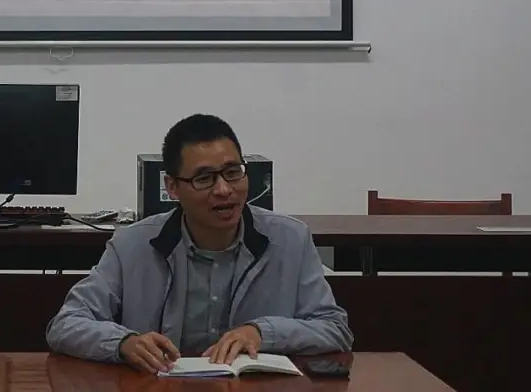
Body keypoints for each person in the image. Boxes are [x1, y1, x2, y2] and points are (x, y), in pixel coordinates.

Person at [46, 114, 353, 373]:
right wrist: (122, 343)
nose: (224, 190)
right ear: (172, 187)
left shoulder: (291, 240)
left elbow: (334, 329)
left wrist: (263, 333)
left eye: (233, 172)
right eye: (204, 178)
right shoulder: (132, 245)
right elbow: (66, 324)